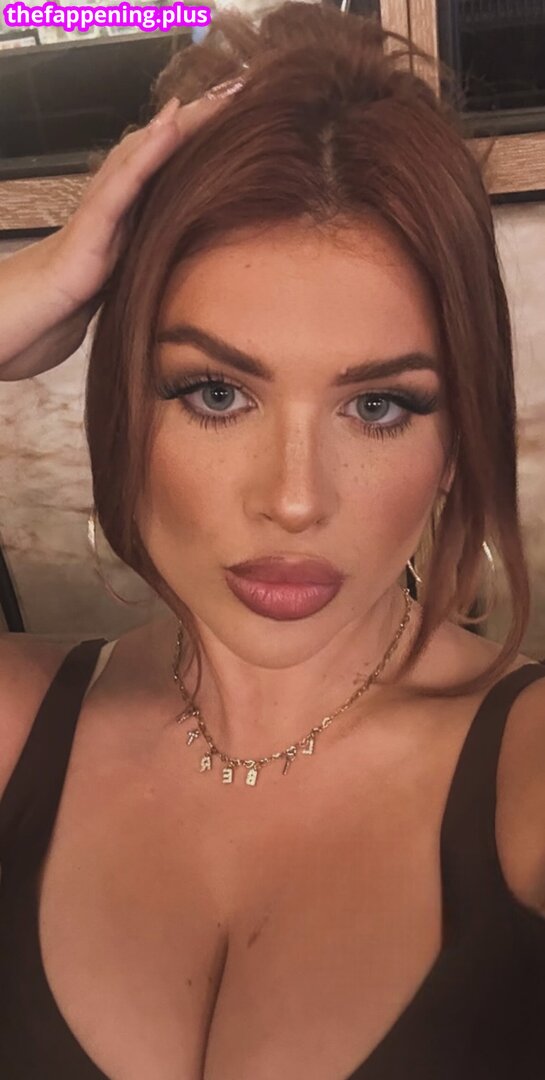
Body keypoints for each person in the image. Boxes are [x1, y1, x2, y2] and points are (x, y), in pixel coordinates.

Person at [1, 2, 545, 1077]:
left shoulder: (525, 779)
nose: (294, 501)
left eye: (379, 406)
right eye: (215, 393)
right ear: (124, 408)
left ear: (453, 443)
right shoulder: (19, 726)